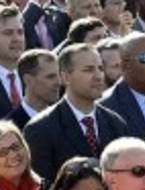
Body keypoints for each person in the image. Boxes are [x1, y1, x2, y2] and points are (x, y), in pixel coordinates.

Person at [23, 43, 126, 182]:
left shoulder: (115, 123)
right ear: (65, 78)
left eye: (100, 68)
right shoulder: (41, 129)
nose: (98, 76)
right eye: (88, 70)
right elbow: (43, 188)